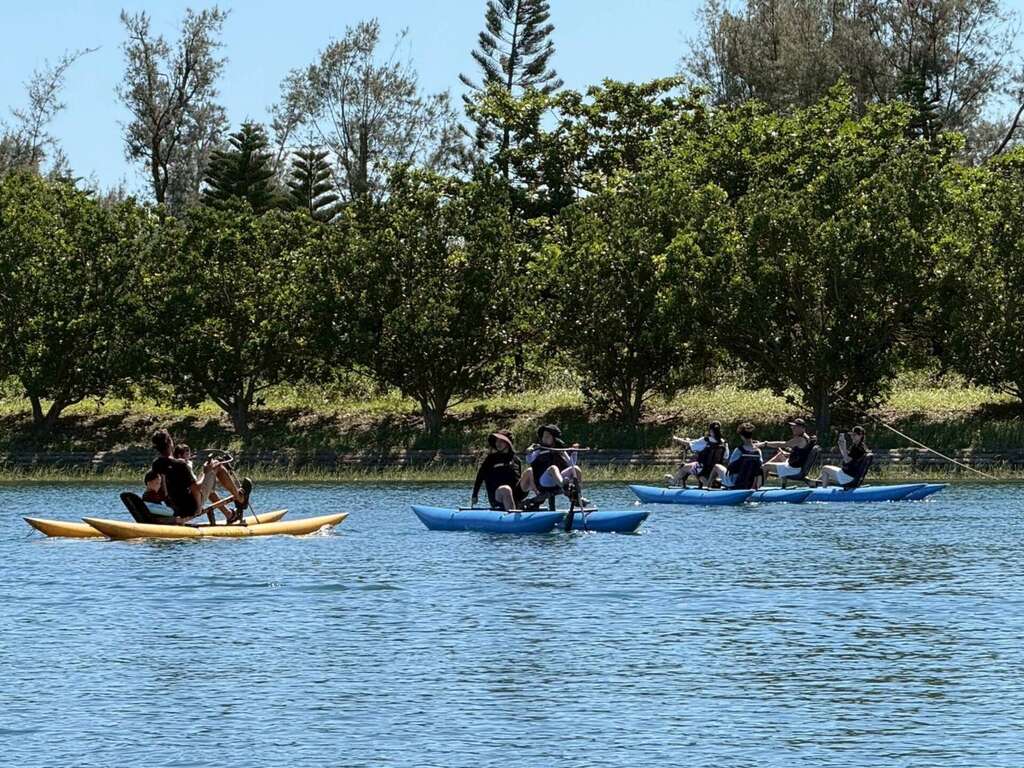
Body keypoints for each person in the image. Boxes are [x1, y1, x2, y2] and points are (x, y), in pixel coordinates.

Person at [149, 429, 252, 525]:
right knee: (217, 465)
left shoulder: (156, 464)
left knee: (209, 483)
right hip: (190, 507)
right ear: (170, 443)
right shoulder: (181, 464)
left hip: (172, 507)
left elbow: (160, 488)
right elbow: (196, 488)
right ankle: (240, 498)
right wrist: (205, 472)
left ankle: (229, 515)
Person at [521, 424, 587, 508]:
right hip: (544, 481)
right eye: (544, 437)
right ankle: (565, 487)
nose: (544, 438)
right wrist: (529, 451)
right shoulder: (539, 449)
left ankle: (578, 496)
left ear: (554, 438)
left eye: (547, 436)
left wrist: (574, 452)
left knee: (576, 469)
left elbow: (571, 464)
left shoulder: (560, 449)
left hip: (557, 479)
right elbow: (529, 459)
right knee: (553, 468)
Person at [471, 430, 526, 512]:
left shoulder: (516, 460)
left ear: (508, 443)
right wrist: (475, 495)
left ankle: (538, 500)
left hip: (515, 496)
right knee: (506, 489)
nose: (498, 443)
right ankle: (512, 517)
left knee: (529, 472)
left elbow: (519, 480)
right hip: (497, 496)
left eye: (501, 441)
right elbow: (480, 477)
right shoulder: (490, 459)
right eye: (497, 441)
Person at [665, 421, 728, 487]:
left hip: (701, 468)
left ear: (711, 431)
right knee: (696, 468)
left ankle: (674, 481)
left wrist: (676, 439)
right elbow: (726, 456)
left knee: (683, 467)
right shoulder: (724, 443)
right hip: (714, 470)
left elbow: (689, 444)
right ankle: (707, 482)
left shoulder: (706, 440)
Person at [709, 423, 764, 490]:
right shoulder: (758, 451)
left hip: (734, 482)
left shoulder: (738, 450)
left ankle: (707, 487)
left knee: (716, 466)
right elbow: (759, 468)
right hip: (750, 482)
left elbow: (730, 467)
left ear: (742, 436)